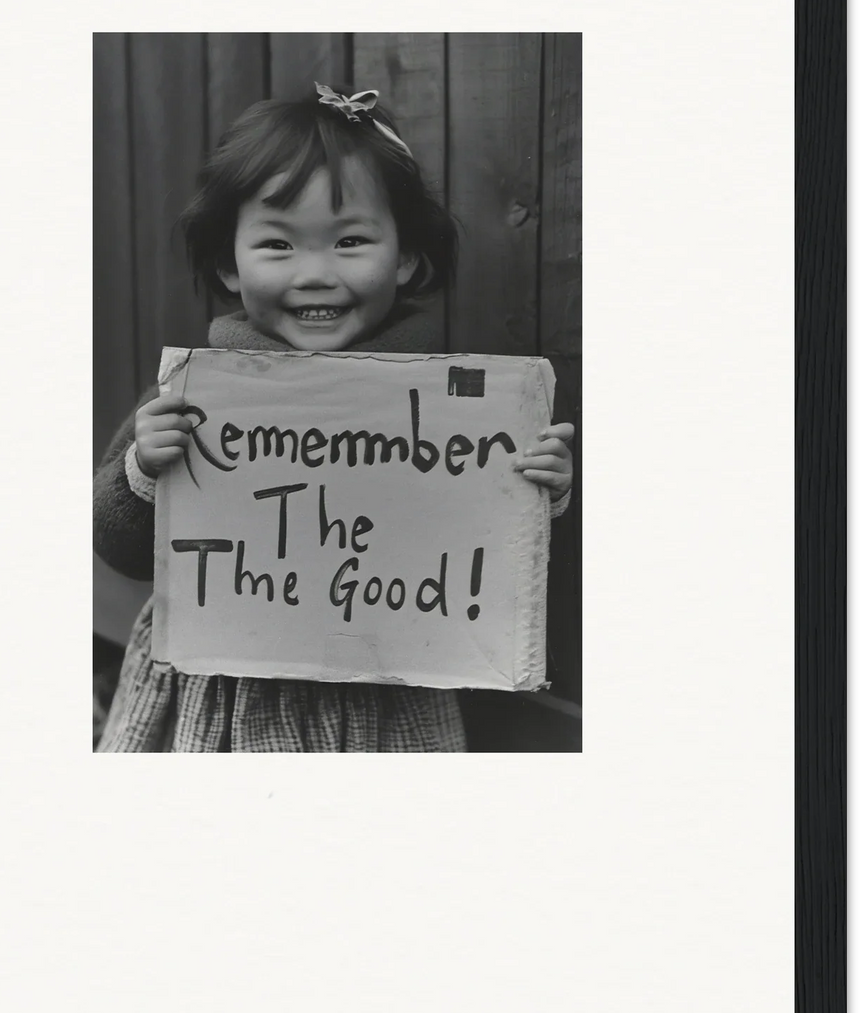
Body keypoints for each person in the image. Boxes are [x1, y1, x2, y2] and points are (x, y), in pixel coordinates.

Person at [93, 83, 574, 751]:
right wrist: (144, 468)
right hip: (227, 690)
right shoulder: (190, 400)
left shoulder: (451, 416)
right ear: (229, 265)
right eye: (278, 246)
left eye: (349, 241)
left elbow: (482, 545)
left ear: (404, 256)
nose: (315, 273)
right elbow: (117, 546)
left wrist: (536, 488)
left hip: (388, 693)